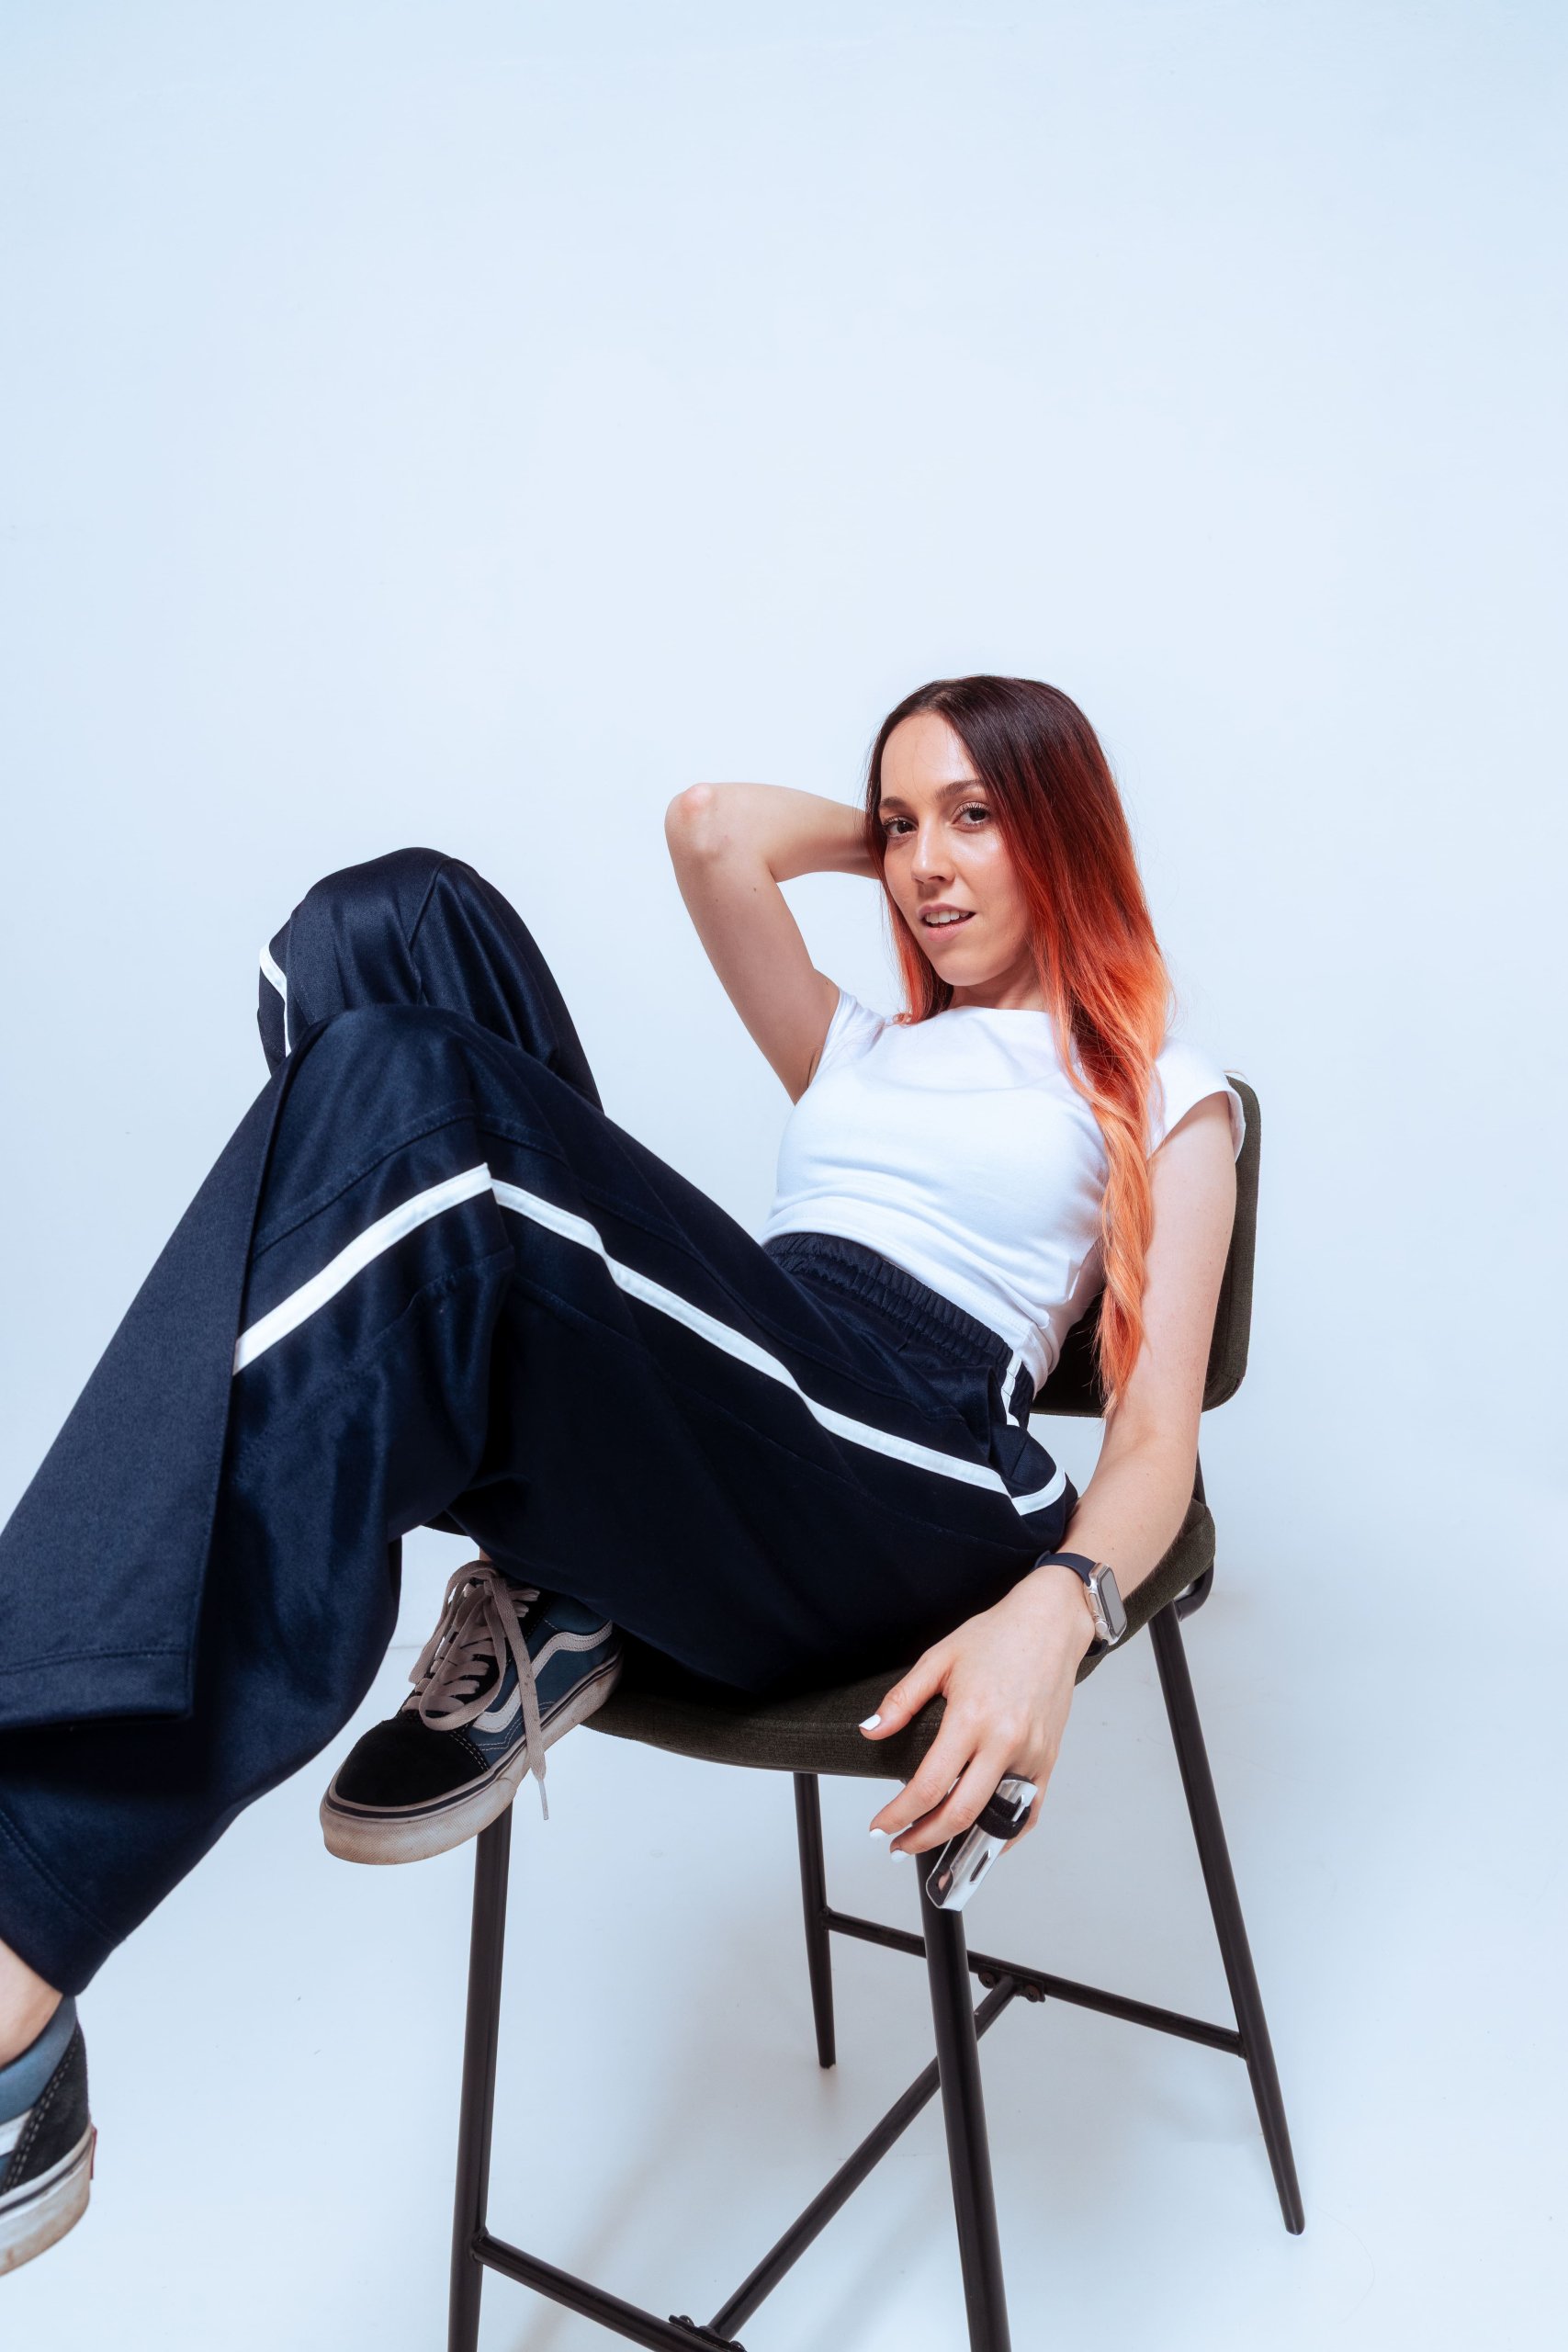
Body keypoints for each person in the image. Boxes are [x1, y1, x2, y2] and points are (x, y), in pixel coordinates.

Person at [0, 673, 1243, 2277]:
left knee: (420, 1098)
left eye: (976, 817)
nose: (927, 864)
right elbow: (710, 832)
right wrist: (900, 851)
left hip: (917, 1463)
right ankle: (567, 1577)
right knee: (380, 931)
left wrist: (1058, 1612)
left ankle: (21, 1921)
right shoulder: (860, 1048)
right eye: (900, 823)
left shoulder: (1159, 1084)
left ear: (1061, 828)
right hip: (759, 1391)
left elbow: (1154, 1441)